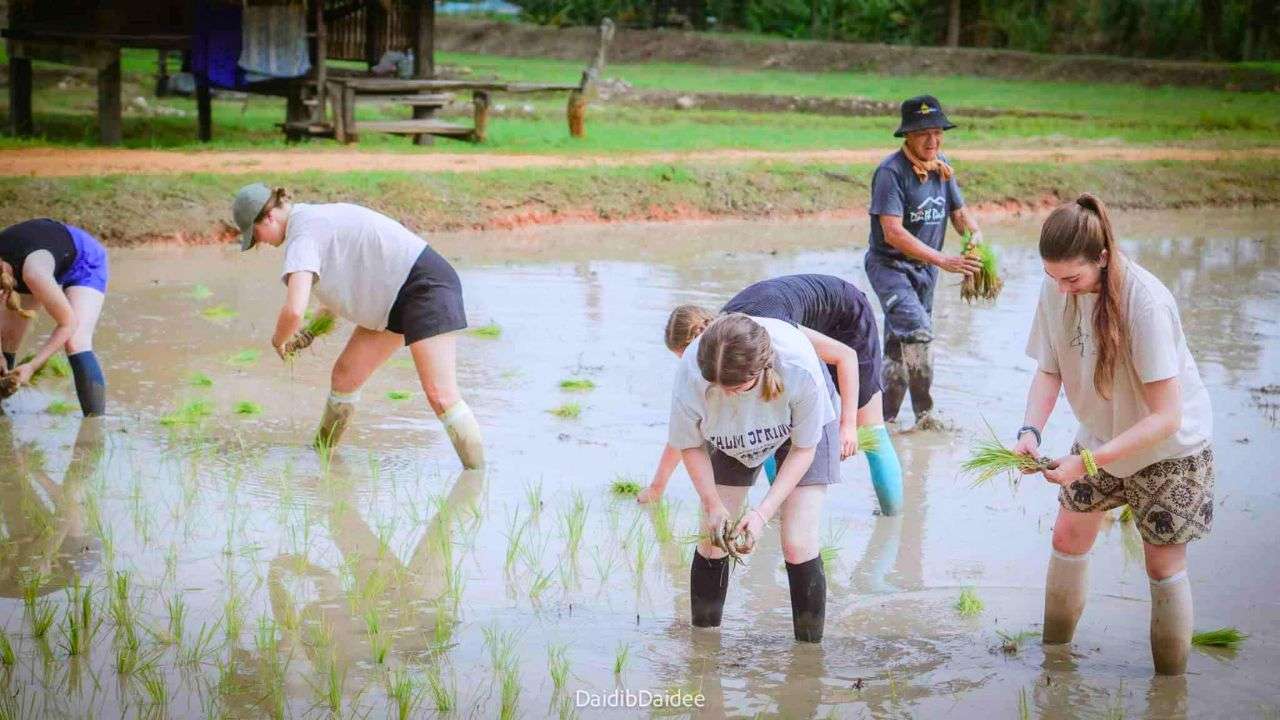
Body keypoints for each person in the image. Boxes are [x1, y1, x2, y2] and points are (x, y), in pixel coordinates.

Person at [1014, 194, 1214, 676]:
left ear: (1102, 258)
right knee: (1068, 533)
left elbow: (1165, 416)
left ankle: (1169, 691)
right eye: (1052, 277)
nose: (1062, 289)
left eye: (1072, 278)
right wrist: (1029, 430)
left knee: (1162, 568)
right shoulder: (1056, 289)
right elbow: (1050, 368)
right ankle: (1053, 663)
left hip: (1170, 450)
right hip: (1102, 439)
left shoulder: (1145, 302)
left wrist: (1087, 462)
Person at [230, 183, 483, 469]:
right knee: (345, 375)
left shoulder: (303, 237)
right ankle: (322, 456)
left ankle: (476, 476)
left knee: (441, 394)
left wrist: (279, 340)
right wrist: (311, 333)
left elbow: (294, 309)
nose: (260, 243)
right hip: (396, 297)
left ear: (268, 218)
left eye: (257, 236)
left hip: (423, 288)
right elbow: (343, 288)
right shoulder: (312, 222)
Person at [642, 274, 903, 516]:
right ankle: (780, 508)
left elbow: (845, 355)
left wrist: (847, 426)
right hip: (799, 319)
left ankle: (894, 520)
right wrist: (657, 487)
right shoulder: (730, 342)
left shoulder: (764, 335)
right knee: (770, 419)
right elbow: (687, 429)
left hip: (845, 317)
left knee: (871, 428)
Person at [669, 313, 839, 642]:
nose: (728, 394)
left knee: (797, 542)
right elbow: (689, 444)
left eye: (737, 388)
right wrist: (712, 503)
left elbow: (804, 449)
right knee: (714, 536)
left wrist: (762, 514)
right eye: (719, 388)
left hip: (798, 434)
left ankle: (806, 659)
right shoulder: (690, 374)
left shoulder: (798, 367)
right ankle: (704, 645)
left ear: (762, 370)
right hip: (729, 435)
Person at [864, 94, 983, 430]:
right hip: (890, 268)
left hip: (925, 272)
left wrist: (974, 238)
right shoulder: (891, 173)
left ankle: (881, 421)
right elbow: (893, 233)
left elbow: (958, 214)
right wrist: (944, 259)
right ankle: (925, 416)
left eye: (938, 133)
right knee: (917, 334)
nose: (933, 141)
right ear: (908, 136)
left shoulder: (941, 168)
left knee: (898, 349)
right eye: (923, 134)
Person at [0, 218, 109, 416]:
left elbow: (68, 323)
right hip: (35, 258)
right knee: (7, 339)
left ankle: (94, 425)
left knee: (76, 342)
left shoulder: (34, 274)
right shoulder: (10, 272)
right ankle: (3, 415)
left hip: (83, 260)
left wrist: (33, 366)